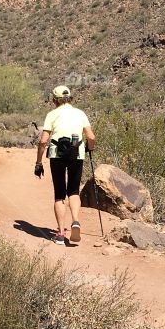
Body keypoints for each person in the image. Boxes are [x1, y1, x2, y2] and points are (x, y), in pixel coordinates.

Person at [34, 85, 95, 245]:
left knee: (60, 193)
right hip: (77, 154)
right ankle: (75, 221)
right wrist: (89, 147)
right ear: (70, 98)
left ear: (54, 99)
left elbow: (43, 141)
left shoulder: (52, 114)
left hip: (57, 155)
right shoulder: (80, 113)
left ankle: (60, 234)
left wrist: (39, 162)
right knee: (74, 191)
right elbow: (91, 136)